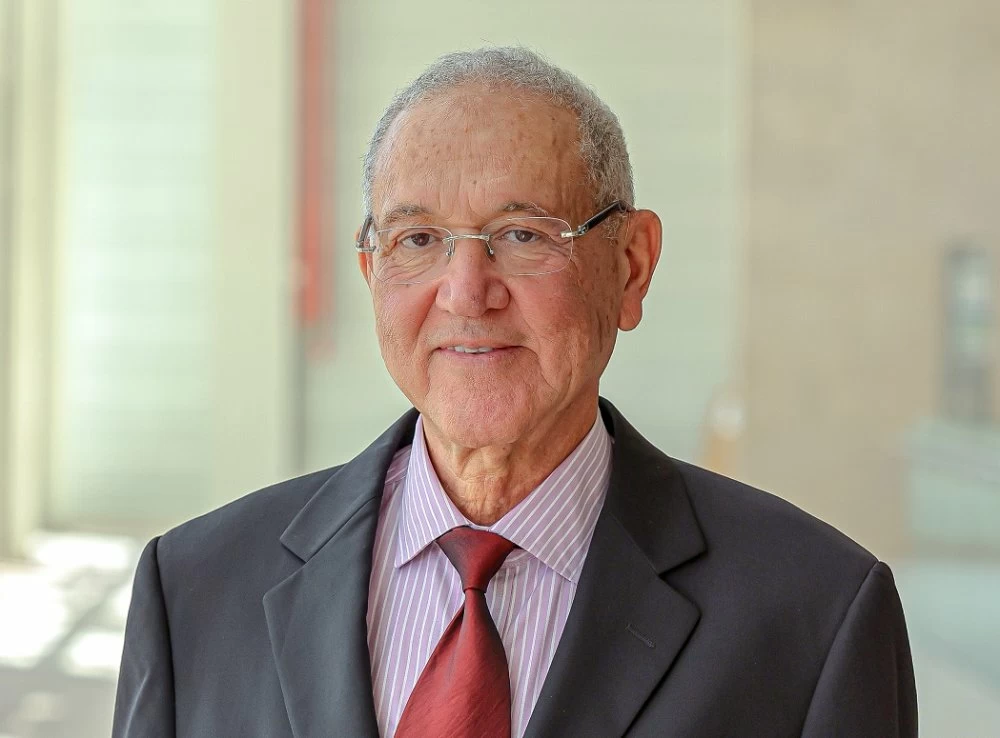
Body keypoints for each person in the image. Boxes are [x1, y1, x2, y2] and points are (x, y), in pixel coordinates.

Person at [113, 47, 917, 738]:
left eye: (523, 235)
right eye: (418, 239)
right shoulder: (194, 592)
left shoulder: (816, 615)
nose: (466, 291)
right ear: (372, 274)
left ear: (631, 267)